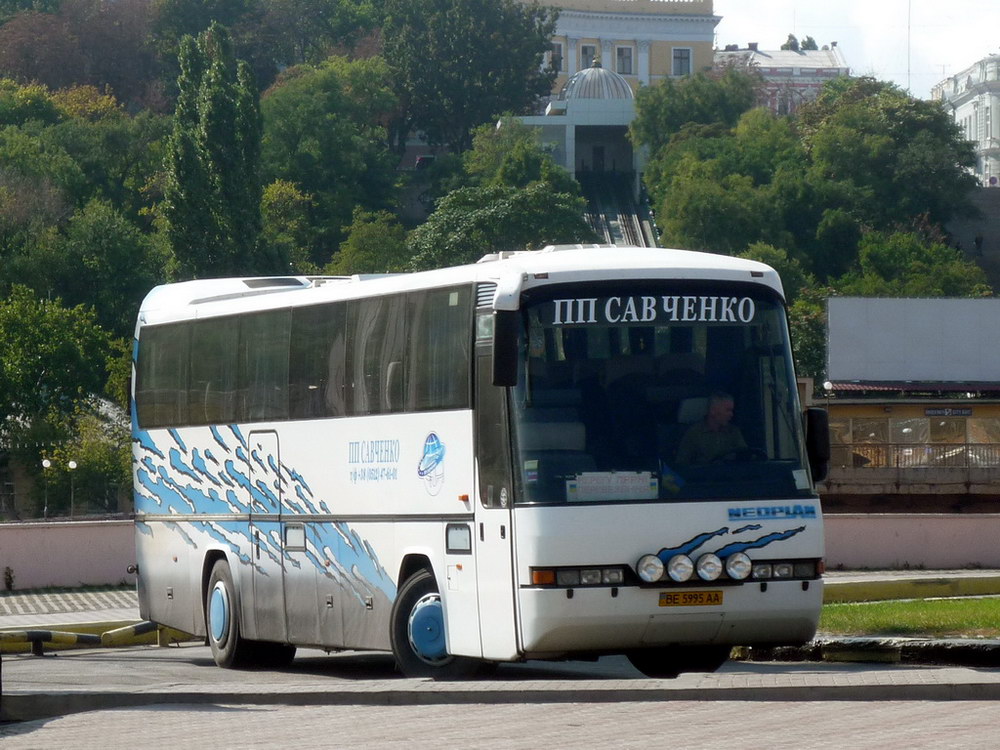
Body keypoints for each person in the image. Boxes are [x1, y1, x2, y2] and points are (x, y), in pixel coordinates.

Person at [675, 391, 747, 465]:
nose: (731, 414)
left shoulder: (734, 432)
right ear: (713, 411)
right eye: (728, 410)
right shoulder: (694, 434)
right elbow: (682, 464)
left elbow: (744, 455)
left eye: (732, 411)